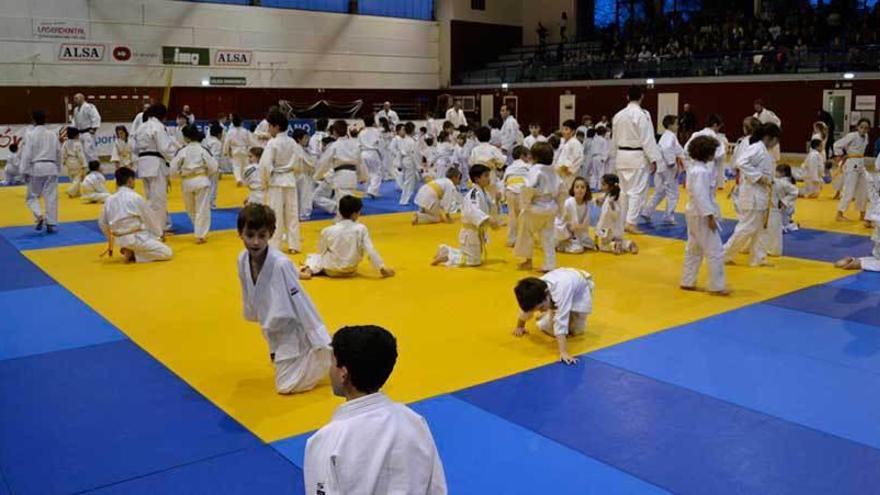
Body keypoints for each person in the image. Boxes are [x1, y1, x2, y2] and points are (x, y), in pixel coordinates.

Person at [303, 325, 447, 494]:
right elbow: (436, 488)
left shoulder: (327, 440)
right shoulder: (414, 422)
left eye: (332, 362)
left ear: (343, 373)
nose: (329, 370)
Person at [237, 203, 332, 394]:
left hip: (293, 328)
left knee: (285, 387)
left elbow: (302, 301)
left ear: (271, 234)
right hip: (271, 327)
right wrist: (253, 313)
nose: (255, 242)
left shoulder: (281, 264)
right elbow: (249, 292)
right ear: (240, 233)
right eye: (250, 235)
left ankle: (331, 358)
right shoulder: (242, 259)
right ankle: (320, 357)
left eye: (262, 236)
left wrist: (321, 337)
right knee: (283, 370)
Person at [722, 123, 779, 267]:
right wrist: (758, 177)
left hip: (760, 194)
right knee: (746, 228)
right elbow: (741, 162)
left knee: (759, 229)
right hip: (752, 194)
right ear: (769, 138)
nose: (776, 143)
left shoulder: (763, 150)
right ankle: (723, 255)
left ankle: (758, 258)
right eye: (776, 139)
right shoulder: (756, 148)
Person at [512, 267, 595, 365]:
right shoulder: (533, 291)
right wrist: (520, 326)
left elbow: (561, 321)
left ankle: (549, 315)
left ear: (547, 293)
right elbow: (526, 309)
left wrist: (564, 352)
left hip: (580, 285)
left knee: (576, 330)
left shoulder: (561, 291)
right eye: (538, 309)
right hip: (562, 279)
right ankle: (548, 315)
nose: (540, 310)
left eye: (541, 307)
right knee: (552, 330)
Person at [300, 195, 395, 279]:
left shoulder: (327, 230)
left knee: (314, 257)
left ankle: (309, 269)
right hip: (351, 269)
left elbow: (321, 251)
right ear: (354, 214)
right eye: (359, 212)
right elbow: (370, 251)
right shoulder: (361, 228)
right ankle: (311, 268)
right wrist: (381, 268)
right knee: (318, 256)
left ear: (340, 212)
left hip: (331, 270)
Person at [680, 136, 728, 295]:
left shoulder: (694, 169)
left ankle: (687, 280)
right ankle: (717, 286)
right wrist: (710, 216)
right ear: (707, 153)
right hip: (701, 214)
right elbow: (701, 196)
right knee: (715, 250)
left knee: (694, 248)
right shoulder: (700, 172)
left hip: (693, 212)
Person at [610, 86, 661, 234]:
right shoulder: (641, 115)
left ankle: (624, 219)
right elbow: (647, 139)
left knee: (624, 191)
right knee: (637, 191)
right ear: (641, 97)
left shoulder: (618, 115)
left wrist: (614, 157)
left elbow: (613, 140)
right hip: (637, 157)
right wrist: (654, 159)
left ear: (627, 97)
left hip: (621, 156)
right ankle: (631, 222)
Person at [98, 167, 172, 263]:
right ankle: (134, 254)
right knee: (167, 253)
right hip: (136, 238)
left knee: (148, 234)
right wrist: (160, 234)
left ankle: (129, 249)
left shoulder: (109, 200)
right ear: (130, 180)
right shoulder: (135, 197)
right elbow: (149, 218)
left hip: (120, 239)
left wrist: (111, 237)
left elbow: (102, 223)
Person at [431, 164, 498, 267]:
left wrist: (496, 201)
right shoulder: (474, 194)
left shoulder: (484, 192)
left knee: (473, 258)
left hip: (476, 232)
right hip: (470, 233)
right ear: (477, 179)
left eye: (488, 175)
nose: (488, 179)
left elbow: (489, 207)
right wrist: (488, 220)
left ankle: (446, 250)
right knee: (472, 262)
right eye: (486, 176)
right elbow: (473, 210)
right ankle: (447, 255)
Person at [515, 142, 564, 272]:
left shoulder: (535, 170)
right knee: (547, 236)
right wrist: (560, 209)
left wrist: (525, 205)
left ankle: (527, 261)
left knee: (526, 233)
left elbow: (528, 189)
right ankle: (550, 264)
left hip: (535, 208)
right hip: (551, 208)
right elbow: (561, 191)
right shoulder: (554, 172)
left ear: (534, 157)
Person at [260, 110, 303, 253]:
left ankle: (274, 245)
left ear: (276, 127)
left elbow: (265, 165)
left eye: (270, 126)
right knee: (292, 213)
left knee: (275, 214)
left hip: (276, 181)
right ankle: (294, 245)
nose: (268, 129)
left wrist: (264, 182)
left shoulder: (272, 143)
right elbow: (298, 163)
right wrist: (292, 174)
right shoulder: (292, 142)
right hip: (290, 180)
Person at [132, 103, 177, 232]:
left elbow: (135, 149)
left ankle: (152, 227)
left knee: (150, 199)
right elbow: (165, 148)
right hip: (156, 165)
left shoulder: (141, 127)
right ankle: (158, 230)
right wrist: (175, 157)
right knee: (158, 201)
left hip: (143, 165)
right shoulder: (158, 126)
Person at [170, 125, 218, 244]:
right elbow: (213, 166)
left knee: (190, 209)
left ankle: (199, 233)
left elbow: (173, 169)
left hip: (187, 181)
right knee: (202, 208)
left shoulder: (182, 151)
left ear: (185, 137)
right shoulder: (203, 149)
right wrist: (206, 173)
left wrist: (180, 175)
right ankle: (200, 234)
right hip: (201, 179)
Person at [20, 110, 62, 233]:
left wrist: (24, 171)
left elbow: (27, 154)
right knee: (51, 197)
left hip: (36, 167)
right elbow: (58, 153)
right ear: (45, 119)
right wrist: (58, 168)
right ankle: (51, 223)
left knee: (31, 196)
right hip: (51, 166)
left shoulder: (30, 134)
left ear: (32, 119)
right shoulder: (52, 134)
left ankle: (39, 216)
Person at [314, 121, 368, 211]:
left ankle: (348, 218)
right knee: (348, 199)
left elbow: (324, 162)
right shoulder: (354, 145)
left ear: (334, 132)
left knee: (343, 204)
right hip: (352, 176)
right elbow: (360, 162)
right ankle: (353, 213)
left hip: (341, 176)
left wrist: (318, 175)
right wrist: (363, 177)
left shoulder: (334, 146)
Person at [642, 115, 684, 224]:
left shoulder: (666, 136)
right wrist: (671, 162)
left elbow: (678, 150)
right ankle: (668, 216)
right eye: (676, 123)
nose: (678, 126)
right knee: (673, 193)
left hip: (661, 167)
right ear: (670, 125)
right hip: (668, 167)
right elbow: (667, 149)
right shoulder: (670, 136)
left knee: (660, 191)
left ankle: (647, 211)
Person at [834, 118, 871, 222]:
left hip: (861, 164)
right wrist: (839, 156)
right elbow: (837, 144)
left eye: (866, 128)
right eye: (861, 127)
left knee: (864, 190)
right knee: (849, 190)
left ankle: (862, 213)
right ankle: (839, 213)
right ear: (857, 127)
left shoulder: (866, 137)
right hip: (851, 164)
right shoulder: (852, 135)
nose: (864, 130)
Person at [595, 173, 638, 254]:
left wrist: (598, 232)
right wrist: (598, 201)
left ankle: (614, 245)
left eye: (603, 184)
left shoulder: (612, 200)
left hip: (609, 229)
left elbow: (610, 216)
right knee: (618, 240)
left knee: (602, 246)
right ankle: (627, 244)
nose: (601, 186)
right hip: (618, 229)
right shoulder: (613, 195)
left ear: (610, 186)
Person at [685, 114, 726, 190]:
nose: (719, 129)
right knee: (706, 198)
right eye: (719, 127)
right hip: (708, 174)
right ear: (715, 125)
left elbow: (686, 151)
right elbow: (720, 155)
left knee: (694, 198)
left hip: (693, 171)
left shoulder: (696, 134)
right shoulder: (715, 138)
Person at [556, 176, 595, 253]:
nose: (580, 190)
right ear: (573, 189)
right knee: (578, 249)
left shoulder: (587, 204)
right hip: (567, 232)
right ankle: (562, 245)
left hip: (579, 232)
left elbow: (584, 224)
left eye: (582, 187)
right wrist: (569, 230)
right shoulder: (568, 202)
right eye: (577, 187)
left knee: (590, 245)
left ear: (586, 190)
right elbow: (561, 221)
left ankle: (575, 242)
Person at [767, 164, 799, 256]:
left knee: (775, 229)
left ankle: (774, 250)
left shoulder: (782, 182)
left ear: (782, 173)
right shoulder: (780, 181)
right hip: (779, 207)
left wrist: (784, 202)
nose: (775, 173)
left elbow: (795, 192)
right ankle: (770, 248)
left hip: (780, 208)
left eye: (777, 171)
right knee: (772, 229)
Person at [502, 145, 531, 246]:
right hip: (522, 192)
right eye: (527, 156)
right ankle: (523, 240)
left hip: (510, 191)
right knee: (524, 217)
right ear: (522, 156)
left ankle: (511, 239)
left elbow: (504, 181)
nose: (528, 159)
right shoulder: (527, 166)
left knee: (512, 216)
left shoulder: (509, 167)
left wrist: (503, 196)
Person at [224, 114, 255, 186]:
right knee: (246, 165)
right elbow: (251, 141)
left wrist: (225, 151)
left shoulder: (230, 132)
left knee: (236, 166)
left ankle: (239, 179)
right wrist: (252, 150)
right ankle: (247, 179)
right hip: (244, 150)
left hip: (235, 150)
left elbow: (226, 142)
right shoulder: (245, 131)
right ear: (241, 123)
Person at [71, 93, 101, 164]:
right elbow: (74, 122)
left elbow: (96, 117)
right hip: (79, 133)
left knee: (89, 151)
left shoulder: (89, 106)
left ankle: (95, 167)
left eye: (76, 98)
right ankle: (86, 168)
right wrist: (73, 131)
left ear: (82, 98)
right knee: (81, 152)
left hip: (88, 132)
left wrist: (94, 129)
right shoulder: (75, 110)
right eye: (74, 98)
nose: (75, 100)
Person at [555, 119, 584, 192]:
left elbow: (579, 158)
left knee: (568, 193)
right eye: (563, 129)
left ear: (573, 131)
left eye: (566, 129)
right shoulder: (564, 142)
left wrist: (570, 170)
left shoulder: (575, 143)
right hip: (561, 172)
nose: (563, 132)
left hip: (569, 174)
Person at [396, 122, 421, 205]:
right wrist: (418, 166)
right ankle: (403, 200)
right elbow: (414, 155)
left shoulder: (403, 140)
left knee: (416, 179)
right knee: (408, 181)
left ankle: (415, 196)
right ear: (412, 130)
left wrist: (399, 163)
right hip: (410, 162)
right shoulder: (411, 141)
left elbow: (399, 152)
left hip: (405, 161)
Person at [359, 119, 384, 198]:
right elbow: (380, 143)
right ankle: (372, 191)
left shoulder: (361, 132)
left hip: (363, 153)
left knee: (367, 172)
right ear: (373, 122)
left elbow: (358, 144)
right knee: (377, 172)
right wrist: (381, 155)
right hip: (373, 152)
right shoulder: (377, 131)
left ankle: (367, 190)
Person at [61, 127, 88, 198]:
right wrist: (84, 164)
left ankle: (77, 192)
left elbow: (63, 153)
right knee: (78, 177)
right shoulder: (77, 143)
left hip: (68, 162)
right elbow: (81, 155)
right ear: (75, 135)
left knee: (72, 177)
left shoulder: (65, 143)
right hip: (76, 162)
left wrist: (63, 161)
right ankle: (71, 191)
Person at [203, 121, 224, 209]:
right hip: (212, 166)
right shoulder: (217, 143)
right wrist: (217, 168)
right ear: (219, 134)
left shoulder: (206, 141)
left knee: (207, 184)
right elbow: (216, 157)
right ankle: (211, 203)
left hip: (205, 165)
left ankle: (205, 202)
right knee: (213, 185)